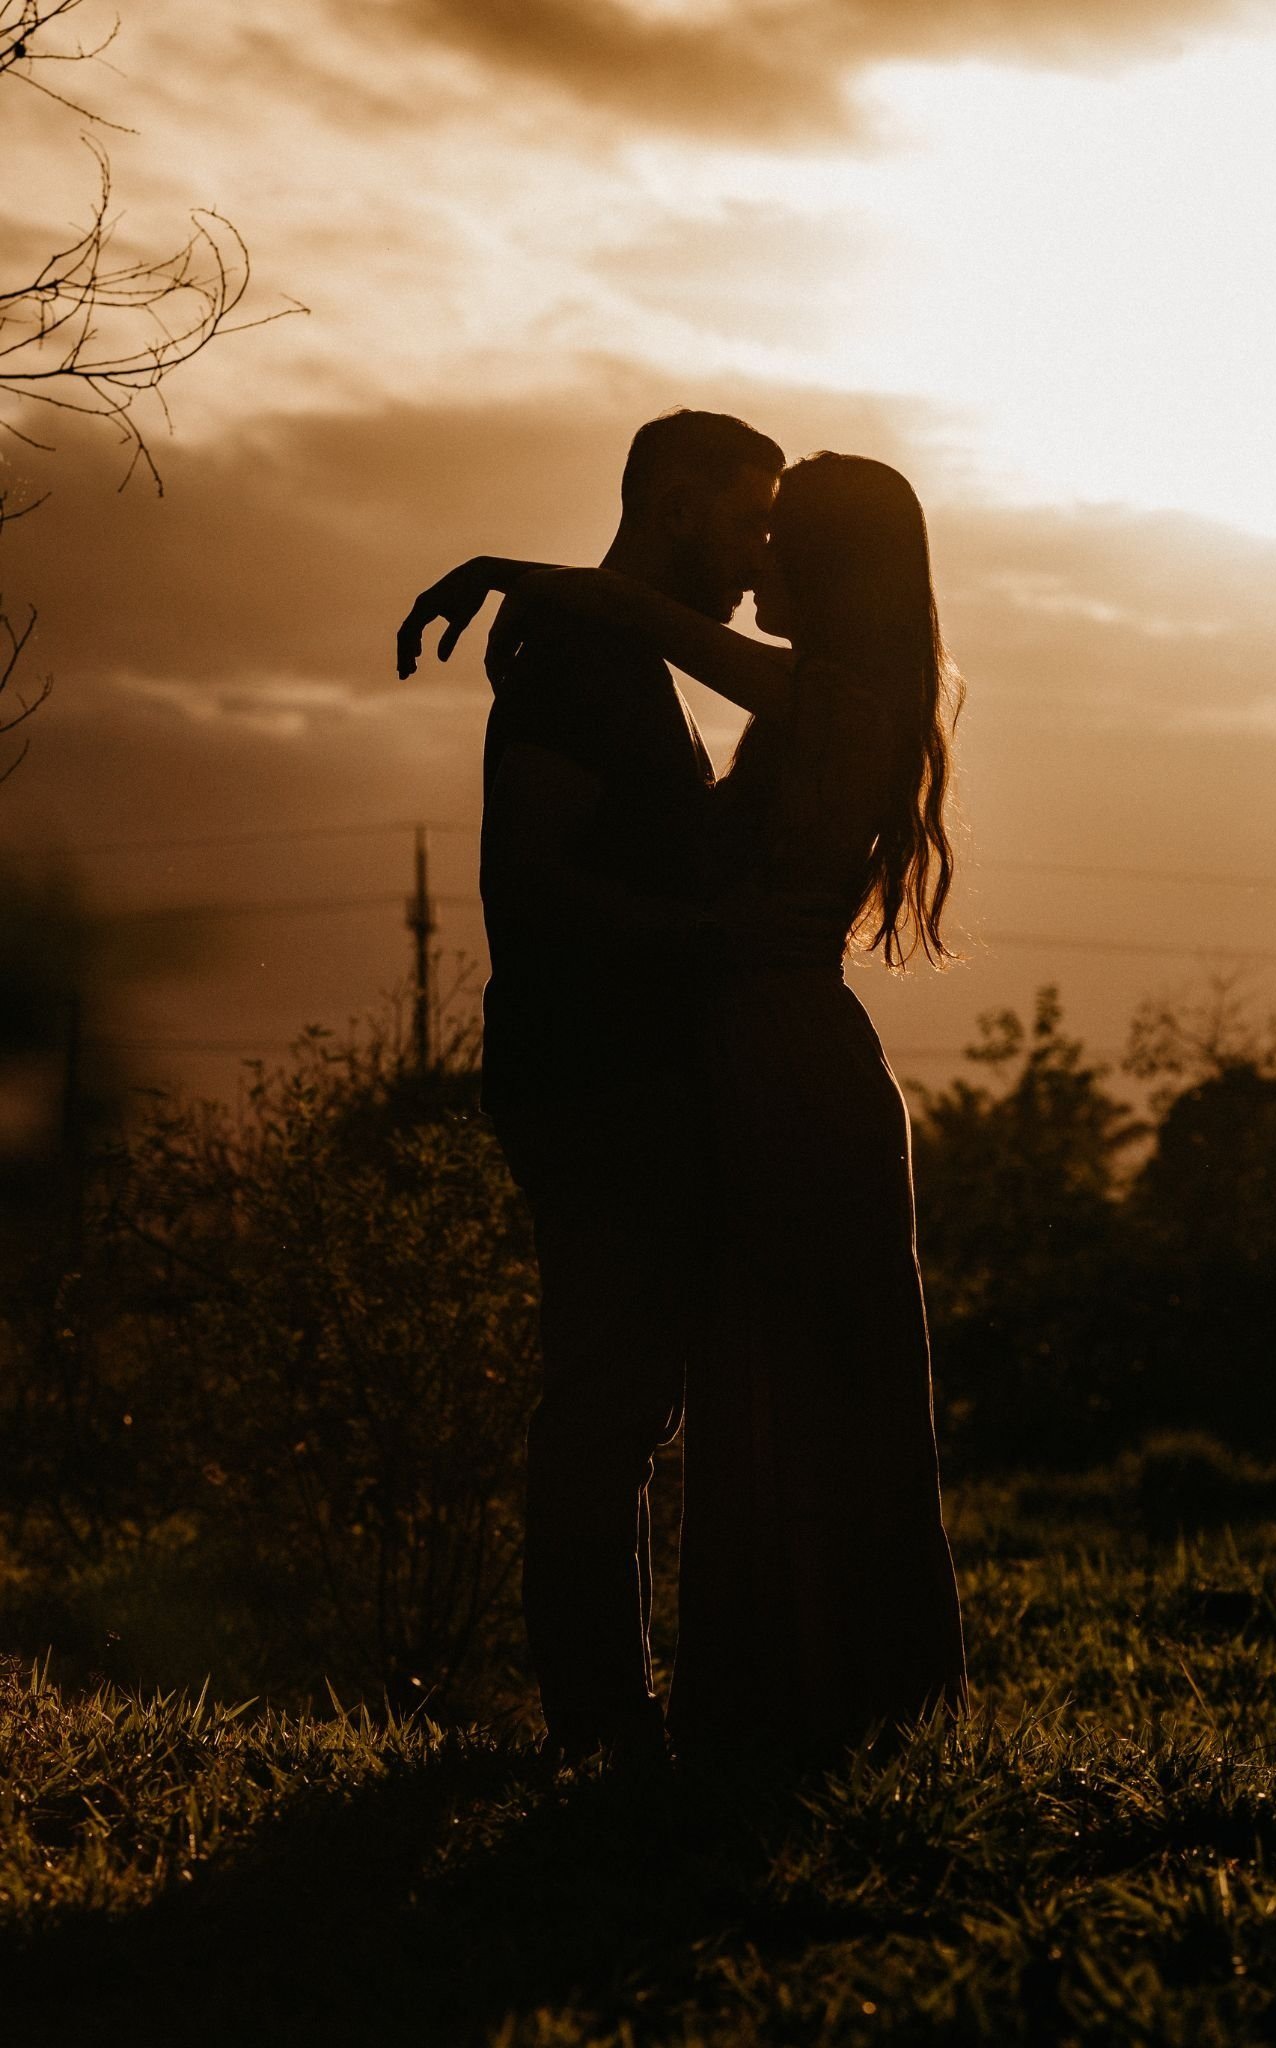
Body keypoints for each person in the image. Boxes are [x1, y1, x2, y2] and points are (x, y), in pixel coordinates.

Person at [466, 452, 969, 1759]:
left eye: (784, 535)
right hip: (763, 1047)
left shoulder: (836, 695)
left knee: (797, 1370)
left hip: (786, 1051)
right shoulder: (840, 694)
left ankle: (814, 1698)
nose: (761, 562)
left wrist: (512, 577)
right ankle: (797, 1694)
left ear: (838, 564)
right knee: (773, 1373)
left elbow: (646, 618)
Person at [397, 409, 836, 1772]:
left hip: (619, 1073)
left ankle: (617, 1717)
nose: (764, 543)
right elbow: (529, 881)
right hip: (590, 1079)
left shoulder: (613, 647)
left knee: (627, 1400)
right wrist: (710, 942)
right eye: (751, 512)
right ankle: (600, 1724)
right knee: (606, 1402)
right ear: (675, 501)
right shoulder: (585, 662)